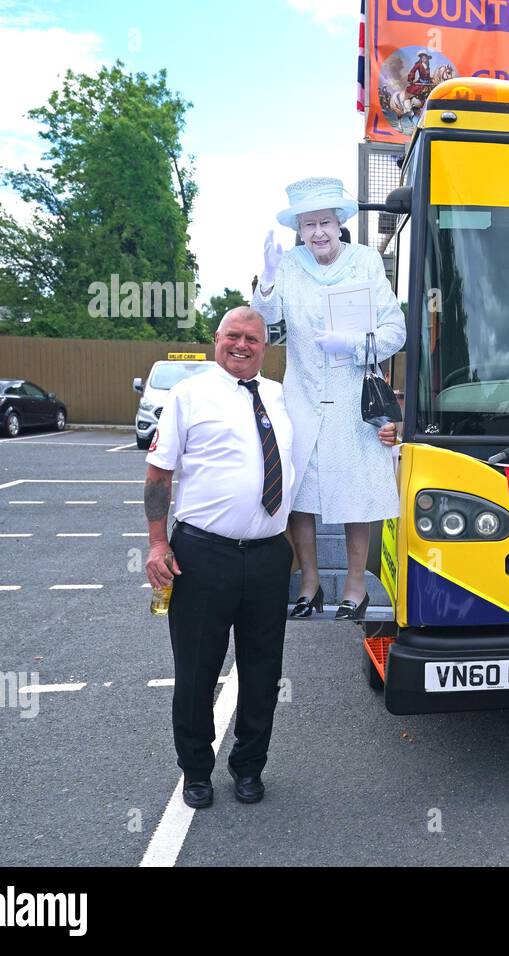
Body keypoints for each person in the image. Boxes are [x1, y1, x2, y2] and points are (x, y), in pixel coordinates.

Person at [144, 307, 296, 808]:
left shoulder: (278, 395)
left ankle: (250, 767)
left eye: (253, 338)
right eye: (233, 335)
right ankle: (195, 771)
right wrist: (158, 543)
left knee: (262, 671)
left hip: (271, 556)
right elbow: (159, 477)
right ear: (216, 339)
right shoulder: (189, 395)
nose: (242, 345)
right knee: (196, 671)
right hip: (203, 556)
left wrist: (384, 434)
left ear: (264, 346)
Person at [252, 176, 406, 621]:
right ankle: (310, 584)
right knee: (301, 495)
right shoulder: (290, 264)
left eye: (325, 222)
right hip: (301, 396)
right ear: (298, 229)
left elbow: (395, 332)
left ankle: (355, 588)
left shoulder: (366, 262)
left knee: (356, 495)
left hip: (353, 398)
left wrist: (355, 344)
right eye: (308, 225)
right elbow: (267, 322)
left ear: (340, 223)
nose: (318, 232)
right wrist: (267, 280)